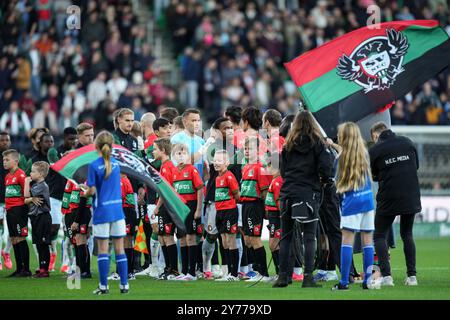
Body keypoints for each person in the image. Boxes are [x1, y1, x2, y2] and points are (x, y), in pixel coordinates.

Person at [273, 111, 333, 288]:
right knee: (309, 237)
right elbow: (326, 168)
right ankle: (308, 277)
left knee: (286, 237)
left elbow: (283, 171)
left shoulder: (288, 145)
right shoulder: (318, 143)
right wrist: (323, 180)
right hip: (307, 194)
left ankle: (283, 277)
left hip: (287, 194)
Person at [369, 122, 421, 287]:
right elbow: (416, 166)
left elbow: (374, 175)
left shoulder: (375, 150)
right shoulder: (408, 142)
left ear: (376, 135)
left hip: (388, 197)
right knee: (407, 234)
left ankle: (387, 277)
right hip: (410, 195)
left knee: (379, 235)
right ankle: (412, 277)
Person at [80, 131, 129, 295]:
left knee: (103, 249)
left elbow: (92, 190)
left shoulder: (94, 165)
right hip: (118, 211)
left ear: (96, 146)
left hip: (102, 211)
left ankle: (103, 287)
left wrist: (85, 191)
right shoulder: (116, 164)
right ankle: (124, 285)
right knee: (120, 249)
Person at [328, 122, 375, 290]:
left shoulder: (340, 159)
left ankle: (344, 282)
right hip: (368, 201)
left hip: (351, 202)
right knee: (368, 242)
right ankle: (368, 280)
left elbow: (337, 185)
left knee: (347, 241)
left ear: (344, 137)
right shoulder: (365, 155)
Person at [202, 117, 242, 280]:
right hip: (214, 197)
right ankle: (206, 267)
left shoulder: (237, 150)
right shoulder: (213, 148)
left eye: (232, 127)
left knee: (230, 236)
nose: (230, 130)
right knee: (212, 235)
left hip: (231, 199)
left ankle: (229, 271)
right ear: (218, 131)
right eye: (226, 128)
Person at [171, 143, 204, 281]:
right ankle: (184, 272)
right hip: (179, 208)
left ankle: (192, 272)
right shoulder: (174, 171)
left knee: (191, 237)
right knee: (182, 239)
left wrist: (198, 209)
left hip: (190, 207)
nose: (181, 156)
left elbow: (200, 189)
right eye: (178, 153)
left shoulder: (192, 170)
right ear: (173, 156)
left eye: (184, 153)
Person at [241, 136, 272, 283]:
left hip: (255, 206)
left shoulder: (260, 168)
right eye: (245, 149)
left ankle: (263, 273)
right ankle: (255, 270)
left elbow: (265, 191)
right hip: (246, 206)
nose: (247, 151)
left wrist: (266, 208)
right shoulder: (245, 167)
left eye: (250, 149)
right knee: (247, 239)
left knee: (255, 239)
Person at [46, 127, 77, 271]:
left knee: (68, 230)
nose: (73, 141)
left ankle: (66, 262)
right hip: (55, 195)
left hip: (70, 195)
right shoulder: (54, 151)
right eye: (71, 139)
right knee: (54, 228)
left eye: (75, 138)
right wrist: (68, 157)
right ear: (64, 138)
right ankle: (52, 254)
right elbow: (59, 168)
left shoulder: (77, 152)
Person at [152, 138, 180, 280]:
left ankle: (174, 270)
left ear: (162, 150)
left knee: (168, 237)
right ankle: (167, 268)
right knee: (162, 237)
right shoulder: (163, 166)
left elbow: (166, 190)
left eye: (155, 148)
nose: (153, 151)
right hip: (164, 206)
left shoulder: (168, 166)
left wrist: (157, 207)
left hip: (168, 206)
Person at [213, 150, 241, 282]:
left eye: (219, 161)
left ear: (227, 163)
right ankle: (228, 272)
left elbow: (236, 194)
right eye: (215, 160)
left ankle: (234, 274)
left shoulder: (229, 176)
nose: (216, 163)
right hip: (220, 212)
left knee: (231, 241)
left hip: (229, 211)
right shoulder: (217, 178)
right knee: (223, 241)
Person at [3, 149, 31, 277]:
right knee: (14, 239)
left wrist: (25, 210)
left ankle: (26, 269)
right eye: (3, 160)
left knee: (21, 237)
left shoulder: (21, 175)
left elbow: (27, 194)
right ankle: (19, 268)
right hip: (9, 210)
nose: (4, 162)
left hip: (19, 210)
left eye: (7, 160)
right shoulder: (7, 176)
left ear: (16, 161)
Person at [24, 161, 52, 278]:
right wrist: (30, 199)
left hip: (43, 217)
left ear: (40, 174)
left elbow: (25, 196)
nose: (30, 173)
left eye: (33, 171)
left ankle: (44, 270)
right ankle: (42, 268)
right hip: (36, 217)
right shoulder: (36, 185)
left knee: (43, 244)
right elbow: (27, 200)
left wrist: (26, 182)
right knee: (39, 244)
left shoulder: (42, 186)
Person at [170, 108, 205, 178]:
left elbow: (204, 168)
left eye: (198, 121)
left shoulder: (201, 141)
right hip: (182, 183)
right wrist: (202, 150)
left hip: (199, 185)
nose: (197, 123)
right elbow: (183, 162)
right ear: (184, 122)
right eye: (194, 120)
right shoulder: (177, 139)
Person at [264, 152, 283, 278]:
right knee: (274, 244)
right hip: (272, 216)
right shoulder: (274, 180)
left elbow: (279, 201)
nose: (266, 169)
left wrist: (282, 216)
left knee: (273, 244)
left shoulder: (277, 182)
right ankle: (280, 272)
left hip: (276, 217)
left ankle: (281, 272)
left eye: (268, 166)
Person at [0, 132, 13, 270]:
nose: (5, 142)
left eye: (7, 140)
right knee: (0, 229)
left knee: (12, 229)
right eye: (2, 140)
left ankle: (6, 251)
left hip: (12, 199)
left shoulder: (14, 158)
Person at [120, 173, 137, 280]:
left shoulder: (122, 181)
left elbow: (119, 198)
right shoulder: (125, 179)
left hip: (126, 211)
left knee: (125, 241)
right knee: (127, 241)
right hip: (129, 212)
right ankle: (128, 271)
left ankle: (128, 272)